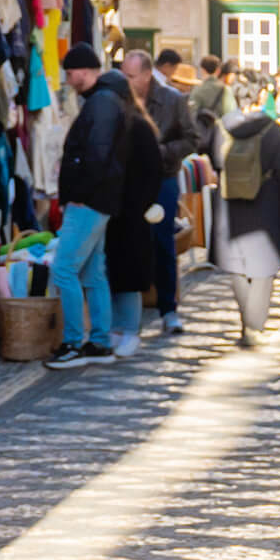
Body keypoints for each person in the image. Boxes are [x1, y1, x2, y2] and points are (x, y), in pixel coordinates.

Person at [46, 46, 129, 369]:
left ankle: (73, 343)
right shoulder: (104, 100)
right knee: (93, 273)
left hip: (90, 200)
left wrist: (79, 193)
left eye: (70, 73)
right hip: (98, 198)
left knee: (64, 268)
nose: (68, 80)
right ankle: (100, 342)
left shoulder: (102, 103)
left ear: (85, 70)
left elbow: (98, 153)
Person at [123, 47, 203, 336]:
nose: (126, 80)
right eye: (124, 74)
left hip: (162, 178)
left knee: (162, 242)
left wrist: (163, 152)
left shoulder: (172, 99)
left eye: (131, 75)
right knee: (129, 242)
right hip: (129, 182)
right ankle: (130, 311)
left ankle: (168, 308)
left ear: (146, 74)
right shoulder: (121, 99)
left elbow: (193, 139)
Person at [205, 110, 280, 345]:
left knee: (237, 267)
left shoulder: (224, 130)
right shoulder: (275, 132)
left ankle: (247, 324)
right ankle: (254, 327)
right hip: (266, 204)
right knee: (263, 270)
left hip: (229, 205)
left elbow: (213, 163)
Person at [105, 89, 167, 359]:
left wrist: (140, 204)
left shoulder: (138, 128)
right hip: (117, 211)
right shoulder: (121, 125)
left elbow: (154, 170)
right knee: (117, 271)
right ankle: (119, 328)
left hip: (132, 212)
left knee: (129, 272)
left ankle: (129, 329)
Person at [190, 52, 236, 124]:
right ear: (218, 70)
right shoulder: (226, 89)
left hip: (204, 131)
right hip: (223, 131)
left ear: (202, 70)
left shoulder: (198, 90)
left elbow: (192, 114)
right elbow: (232, 113)